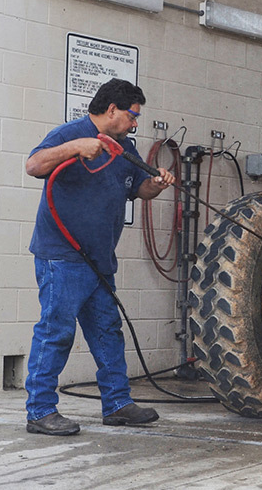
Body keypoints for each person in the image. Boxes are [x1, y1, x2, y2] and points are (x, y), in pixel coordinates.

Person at [23, 79, 176, 436]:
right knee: (56, 332)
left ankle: (118, 404)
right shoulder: (69, 134)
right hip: (62, 256)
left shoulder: (125, 147)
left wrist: (156, 184)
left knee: (108, 332)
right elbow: (33, 166)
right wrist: (76, 147)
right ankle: (40, 411)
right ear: (111, 110)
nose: (135, 123)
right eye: (132, 115)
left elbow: (139, 189)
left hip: (100, 260)